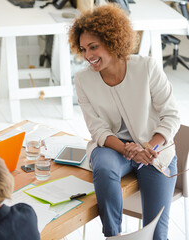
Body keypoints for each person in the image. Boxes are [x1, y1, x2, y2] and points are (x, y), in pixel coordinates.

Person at [69, 4, 180, 240]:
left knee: (157, 235)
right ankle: (113, 236)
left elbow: (171, 115)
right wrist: (127, 149)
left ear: (112, 40)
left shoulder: (147, 67)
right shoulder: (83, 80)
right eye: (83, 49)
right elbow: (97, 128)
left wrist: (150, 147)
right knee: (104, 167)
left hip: (154, 151)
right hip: (113, 149)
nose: (88, 55)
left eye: (94, 47)